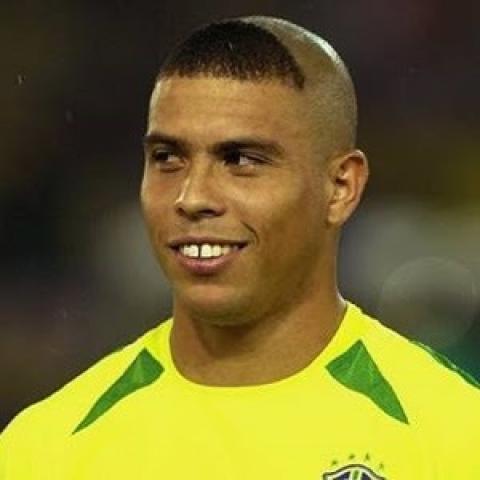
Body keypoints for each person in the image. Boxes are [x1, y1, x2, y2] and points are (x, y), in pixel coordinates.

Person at [1, 15, 479, 480]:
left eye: (242, 160)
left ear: (340, 188)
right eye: (167, 158)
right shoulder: (45, 450)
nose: (192, 197)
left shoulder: (455, 434)